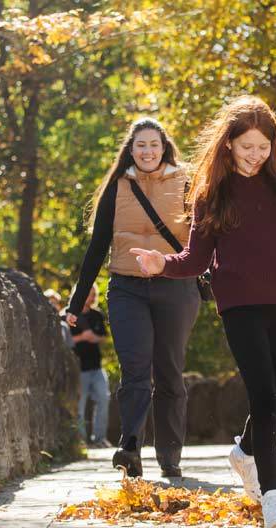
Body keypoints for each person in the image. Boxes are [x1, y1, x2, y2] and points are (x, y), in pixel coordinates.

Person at [130, 96, 276, 528]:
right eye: (247, 147)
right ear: (228, 145)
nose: (255, 155)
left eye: (263, 147)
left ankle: (245, 452)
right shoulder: (213, 195)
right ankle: (274, 497)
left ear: (273, 147)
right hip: (239, 305)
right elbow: (195, 259)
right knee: (264, 398)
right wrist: (162, 264)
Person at [66, 118, 200, 478]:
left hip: (175, 285)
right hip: (127, 287)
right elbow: (97, 247)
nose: (147, 151)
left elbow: (206, 238)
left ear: (164, 146)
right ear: (131, 149)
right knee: (135, 368)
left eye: (153, 144)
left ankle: (170, 456)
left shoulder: (187, 182)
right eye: (140, 145)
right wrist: (77, 302)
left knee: (169, 370)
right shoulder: (117, 186)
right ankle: (130, 447)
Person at [69, 284, 110, 447]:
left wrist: (95, 338)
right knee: (79, 406)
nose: (92, 297)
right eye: (89, 294)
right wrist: (82, 337)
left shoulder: (97, 315)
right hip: (78, 369)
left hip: (96, 367)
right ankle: (81, 442)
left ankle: (99, 439)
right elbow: (63, 342)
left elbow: (104, 338)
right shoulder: (68, 315)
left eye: (94, 294)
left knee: (104, 399)